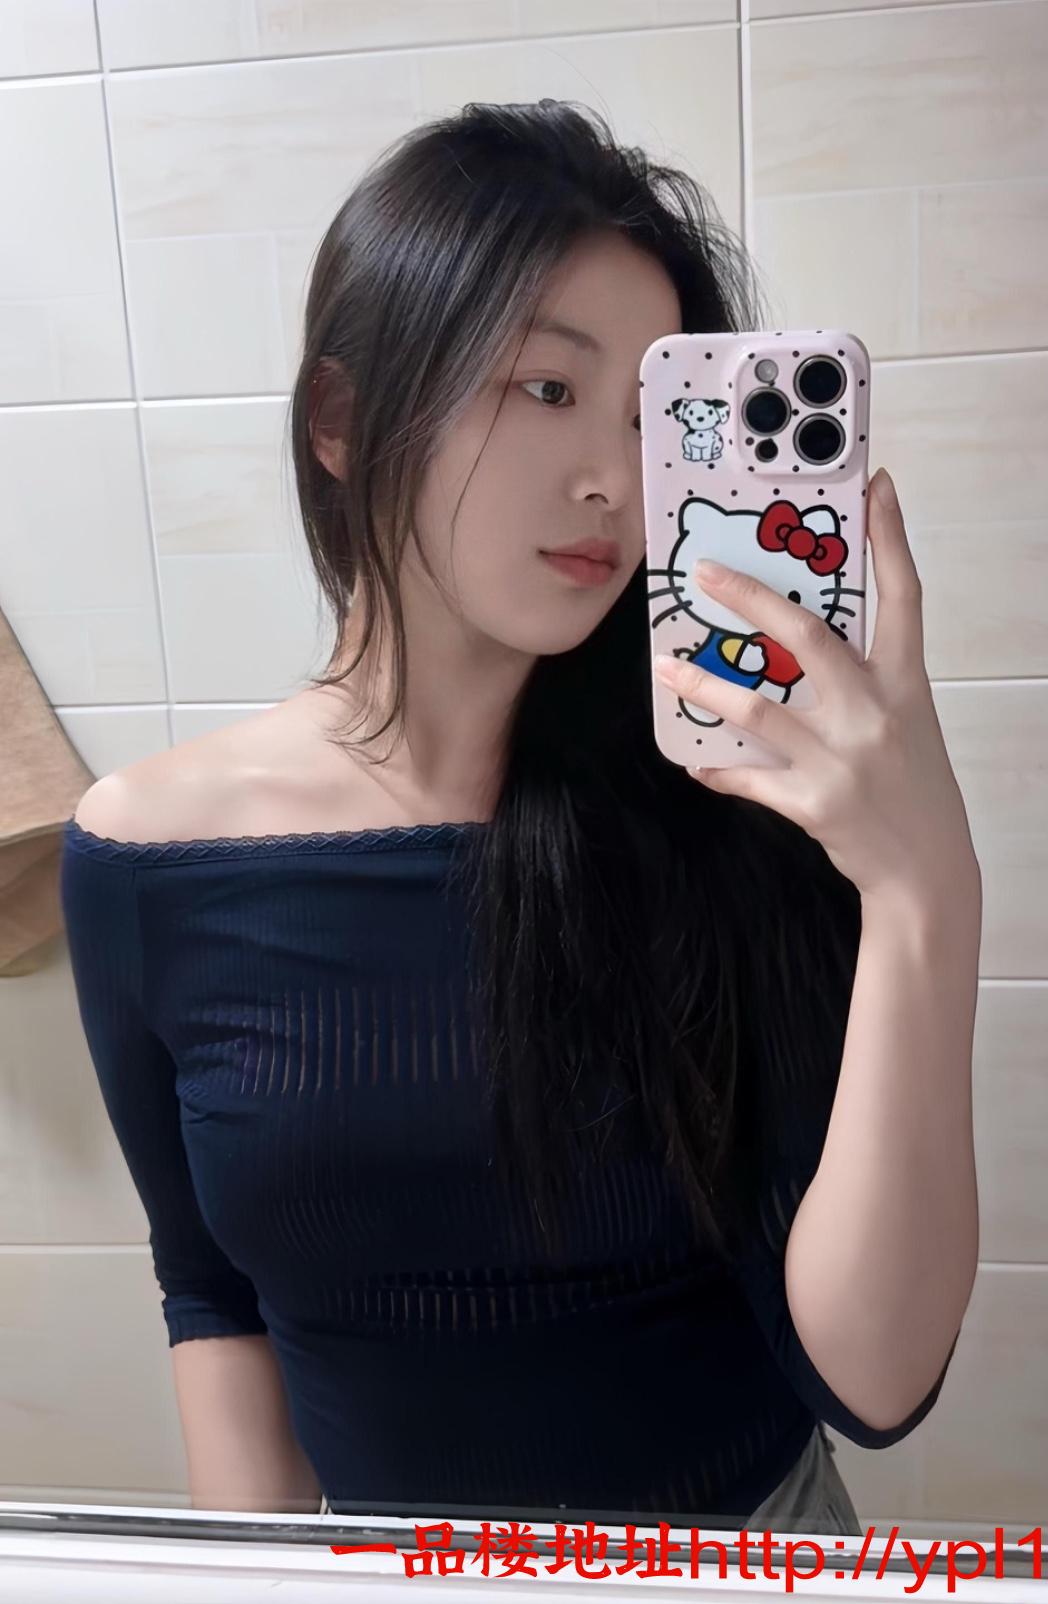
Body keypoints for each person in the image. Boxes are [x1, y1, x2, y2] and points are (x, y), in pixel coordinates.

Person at [60, 99, 962, 1530]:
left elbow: (878, 1377)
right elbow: (212, 1294)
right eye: (548, 389)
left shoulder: (732, 804)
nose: (615, 480)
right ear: (342, 421)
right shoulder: (146, 860)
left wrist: (925, 893)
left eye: (649, 419)